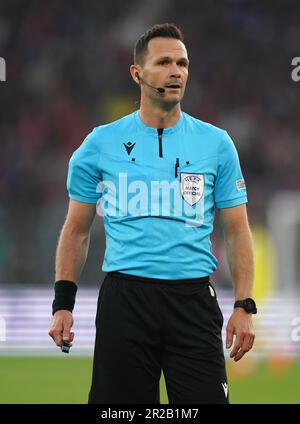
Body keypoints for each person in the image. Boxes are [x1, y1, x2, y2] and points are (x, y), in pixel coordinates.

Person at [48, 23, 256, 404]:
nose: (176, 72)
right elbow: (77, 230)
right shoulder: (99, 144)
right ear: (137, 73)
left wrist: (244, 304)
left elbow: (238, 231)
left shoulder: (217, 144)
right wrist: (63, 304)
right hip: (125, 302)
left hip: (192, 301)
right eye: (164, 62)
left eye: (183, 63)